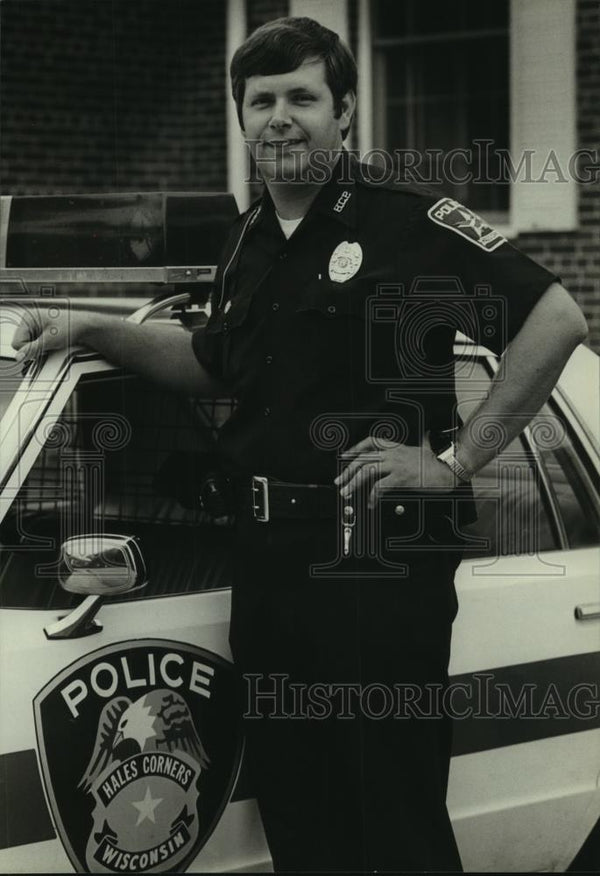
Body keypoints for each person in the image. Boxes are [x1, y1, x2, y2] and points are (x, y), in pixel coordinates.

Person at [13, 16, 588, 873]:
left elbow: (557, 318)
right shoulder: (246, 243)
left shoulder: (408, 222)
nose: (280, 118)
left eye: (301, 98)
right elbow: (213, 362)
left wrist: (456, 460)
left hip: (379, 562)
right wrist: (85, 327)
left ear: (345, 110)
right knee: (301, 813)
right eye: (261, 101)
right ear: (242, 119)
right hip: (271, 562)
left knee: (387, 823)